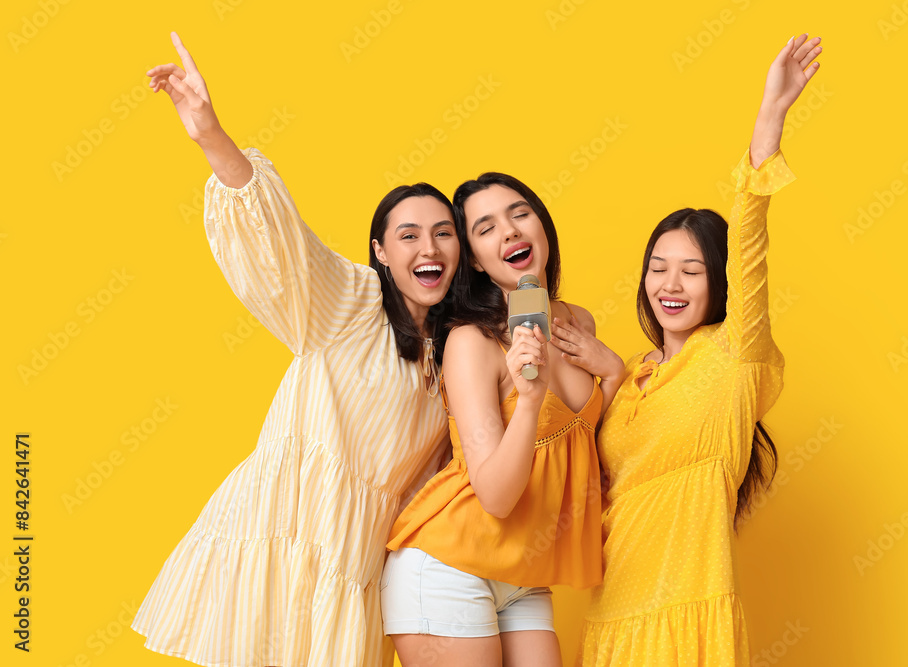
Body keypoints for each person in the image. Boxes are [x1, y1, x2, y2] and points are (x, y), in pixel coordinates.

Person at [130, 32, 463, 667]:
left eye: (444, 233)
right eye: (410, 234)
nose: (429, 248)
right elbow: (281, 242)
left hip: (354, 568)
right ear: (380, 251)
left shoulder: (454, 355)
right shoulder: (351, 300)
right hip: (278, 537)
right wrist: (210, 135)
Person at [551, 34, 824, 666]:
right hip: (612, 617)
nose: (670, 285)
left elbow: (751, 245)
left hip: (688, 618)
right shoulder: (634, 377)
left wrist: (768, 123)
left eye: (692, 270)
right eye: (658, 268)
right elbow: (598, 486)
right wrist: (613, 375)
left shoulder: (735, 355)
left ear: (719, 282)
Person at [382, 172, 626, 666]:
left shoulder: (578, 323)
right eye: (486, 228)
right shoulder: (472, 342)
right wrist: (530, 400)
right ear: (473, 258)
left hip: (522, 571)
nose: (511, 232)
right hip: (449, 563)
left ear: (541, 226)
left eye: (520, 214)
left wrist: (614, 374)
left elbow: (589, 453)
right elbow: (494, 494)